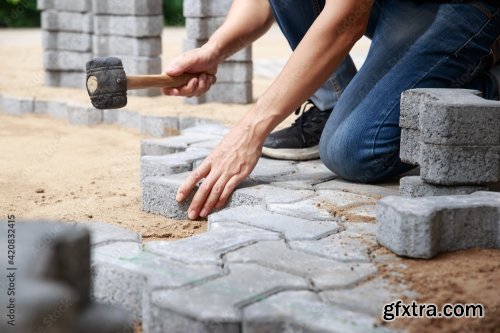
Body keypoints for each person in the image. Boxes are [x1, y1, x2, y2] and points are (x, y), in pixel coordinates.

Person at [163, 0, 500, 220]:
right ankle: (331, 105)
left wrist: (250, 130)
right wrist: (214, 50)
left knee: (354, 150)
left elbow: (345, 20)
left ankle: (489, 81)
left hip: (465, 6)